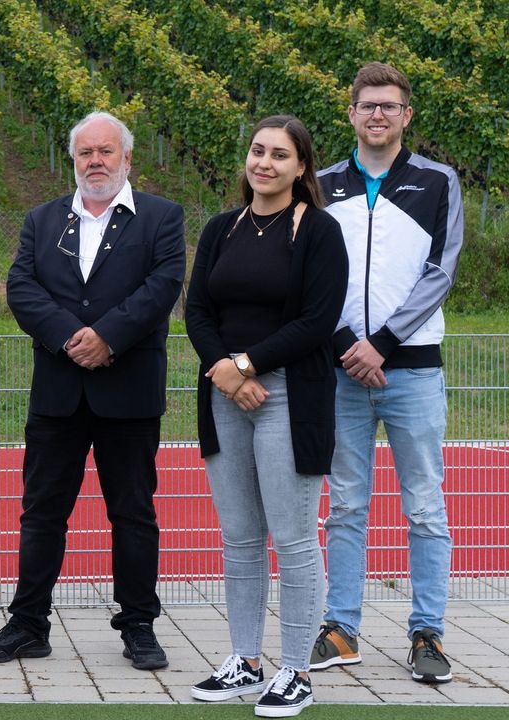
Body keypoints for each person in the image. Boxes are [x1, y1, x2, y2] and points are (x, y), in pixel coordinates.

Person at [0, 112, 184, 671]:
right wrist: (72, 337)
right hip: (59, 393)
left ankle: (138, 624)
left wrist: (108, 338)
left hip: (129, 393)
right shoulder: (43, 220)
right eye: (85, 152)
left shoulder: (161, 218)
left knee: (133, 514)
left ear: (127, 159)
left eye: (106, 152)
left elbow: (162, 286)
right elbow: (21, 287)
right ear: (73, 160)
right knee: (42, 513)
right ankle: (28, 624)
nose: (95, 161)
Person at [185, 115, 348, 717]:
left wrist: (247, 366)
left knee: (295, 538)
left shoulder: (320, 233)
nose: (265, 163)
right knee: (241, 538)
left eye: (280, 155)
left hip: (289, 395)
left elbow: (317, 321)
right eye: (257, 151)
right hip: (225, 392)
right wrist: (226, 372)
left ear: (301, 167)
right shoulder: (221, 228)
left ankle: (296, 670)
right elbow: (196, 310)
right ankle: (245, 661)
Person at [311, 62, 464, 685]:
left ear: (406, 115)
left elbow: (442, 269)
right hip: (342, 369)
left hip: (414, 372)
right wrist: (352, 345)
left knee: (425, 508)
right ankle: (341, 628)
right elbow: (310, 277)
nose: (377, 114)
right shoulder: (321, 183)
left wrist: (385, 342)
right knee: (345, 506)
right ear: (351, 113)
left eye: (389, 106)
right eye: (367, 105)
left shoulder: (438, 181)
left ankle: (427, 634)